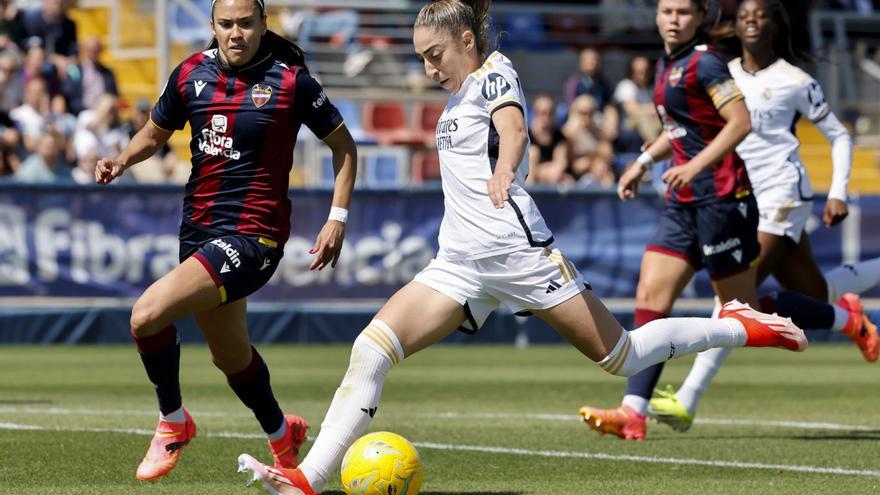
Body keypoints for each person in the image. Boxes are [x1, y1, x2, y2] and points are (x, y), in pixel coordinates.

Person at [235, 2, 807, 493]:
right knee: (370, 350)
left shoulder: (495, 75)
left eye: (435, 53)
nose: (428, 65)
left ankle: (737, 323)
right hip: (457, 263)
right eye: (420, 56)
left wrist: (506, 168)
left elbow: (512, 130)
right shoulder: (458, 92)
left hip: (517, 252)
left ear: (465, 40)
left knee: (622, 356)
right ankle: (308, 477)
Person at [94, 0, 358, 482]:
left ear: (262, 25)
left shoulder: (290, 81)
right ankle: (284, 435)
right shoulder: (191, 72)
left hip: (255, 236)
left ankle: (173, 422)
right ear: (213, 27)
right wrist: (122, 159)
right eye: (226, 24)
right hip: (197, 231)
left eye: (246, 23)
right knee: (230, 355)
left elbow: (343, 147)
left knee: (147, 315)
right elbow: (155, 134)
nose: (236, 33)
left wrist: (336, 217)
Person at [647, 0, 880, 433]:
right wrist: (645, 161)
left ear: (775, 23)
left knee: (735, 300)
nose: (752, 19)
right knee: (819, 292)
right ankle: (851, 319)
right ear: (736, 24)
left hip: (783, 195)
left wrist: (838, 190)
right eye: (744, 14)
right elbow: (682, 124)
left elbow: (838, 136)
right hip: (739, 196)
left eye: (761, 13)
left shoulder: (795, 80)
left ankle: (686, 400)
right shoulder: (721, 70)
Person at [577, 0, 768, 441]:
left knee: (745, 313)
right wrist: (643, 161)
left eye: (684, 11)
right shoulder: (667, 65)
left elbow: (740, 123)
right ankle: (633, 411)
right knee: (651, 293)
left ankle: (833, 315)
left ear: (700, 18)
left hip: (721, 199)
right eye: (666, 11)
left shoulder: (706, 64)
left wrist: (695, 166)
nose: (674, 18)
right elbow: (678, 127)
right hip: (684, 203)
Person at [526, 93, 570, 185]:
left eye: (551, 113)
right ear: (535, 113)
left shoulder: (559, 137)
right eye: (543, 113)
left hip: (553, 180)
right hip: (528, 181)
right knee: (534, 152)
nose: (547, 117)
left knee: (568, 180)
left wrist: (537, 171)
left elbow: (560, 166)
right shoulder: (526, 135)